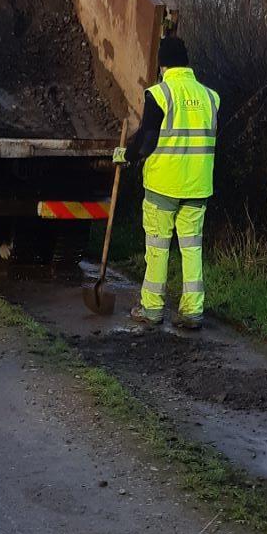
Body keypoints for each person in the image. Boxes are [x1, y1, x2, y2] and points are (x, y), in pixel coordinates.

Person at [114, 34, 219, 332]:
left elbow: (147, 141)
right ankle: (192, 312)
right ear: (187, 62)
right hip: (198, 187)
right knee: (192, 249)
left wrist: (127, 155)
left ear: (162, 64)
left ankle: (152, 309)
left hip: (163, 186)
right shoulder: (211, 97)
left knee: (158, 247)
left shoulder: (159, 94)